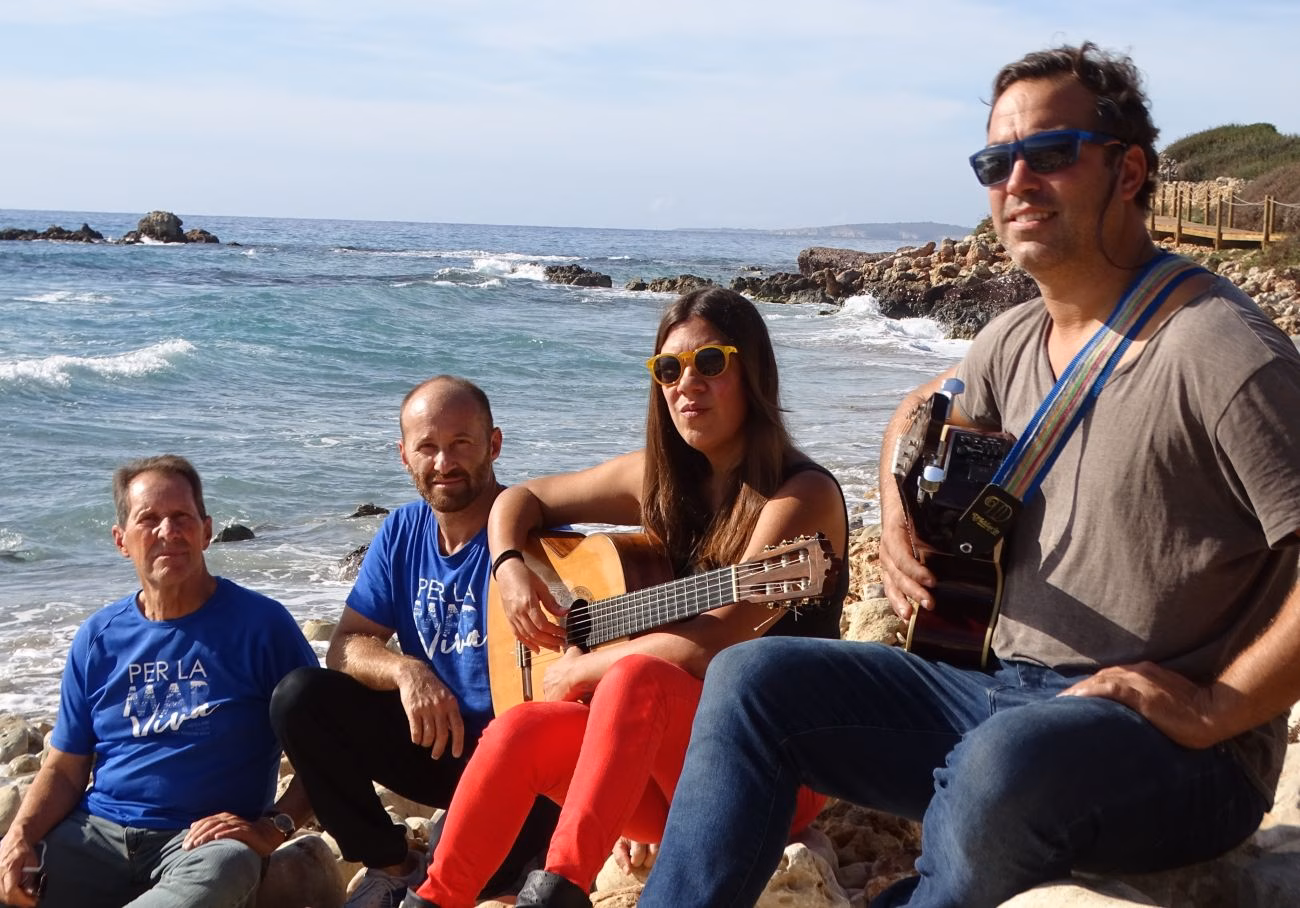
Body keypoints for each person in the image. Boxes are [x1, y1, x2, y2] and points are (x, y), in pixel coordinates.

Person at [637, 42, 1300, 908]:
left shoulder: (1220, 351)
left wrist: (1218, 707)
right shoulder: (1010, 341)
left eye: (1050, 154)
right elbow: (920, 407)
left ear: (1128, 169)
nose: (1016, 180)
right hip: (1001, 694)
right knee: (753, 682)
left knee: (1001, 765)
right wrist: (895, 509)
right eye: (996, 161)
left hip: (1177, 754)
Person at [400, 287, 850, 908]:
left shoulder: (801, 497)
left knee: (636, 674)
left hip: (775, 769)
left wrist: (584, 667)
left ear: (753, 371)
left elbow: (716, 636)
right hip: (673, 771)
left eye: (709, 363)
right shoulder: (659, 481)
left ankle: (558, 891)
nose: (685, 383)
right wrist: (507, 566)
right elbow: (520, 498)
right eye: (669, 369)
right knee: (523, 726)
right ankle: (433, 898)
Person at [269, 376, 558, 908]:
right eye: (427, 447)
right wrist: (408, 671)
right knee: (300, 697)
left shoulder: (532, 539)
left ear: (494, 444)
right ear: (404, 455)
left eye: (460, 444)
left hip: (516, 768)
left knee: (478, 889)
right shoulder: (402, 529)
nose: (443, 462)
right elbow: (347, 643)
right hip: (435, 743)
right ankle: (390, 863)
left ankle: (486, 861)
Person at [0, 455, 317, 908]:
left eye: (181, 518)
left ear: (206, 531)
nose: (167, 532)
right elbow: (65, 769)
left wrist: (275, 827)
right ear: (121, 541)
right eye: (148, 520)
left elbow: (327, 750)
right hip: (95, 838)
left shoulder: (262, 627)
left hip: (200, 845)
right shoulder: (98, 638)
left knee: (229, 866)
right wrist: (18, 837)